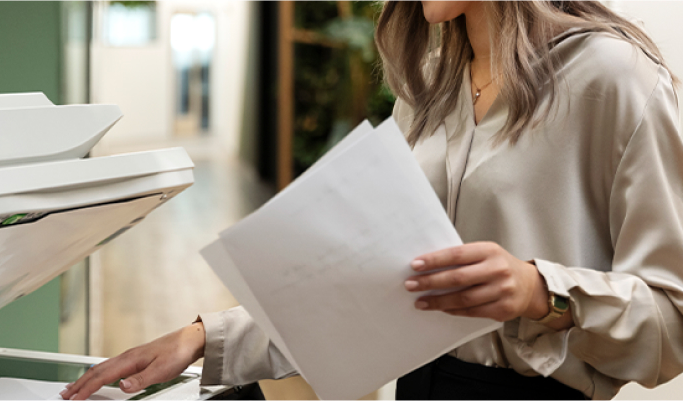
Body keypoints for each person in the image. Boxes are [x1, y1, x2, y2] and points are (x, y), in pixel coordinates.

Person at [62, 1, 683, 399]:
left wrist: (539, 293)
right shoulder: (428, 91)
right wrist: (204, 338)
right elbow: (370, 288)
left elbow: (671, 325)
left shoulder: (618, 79)